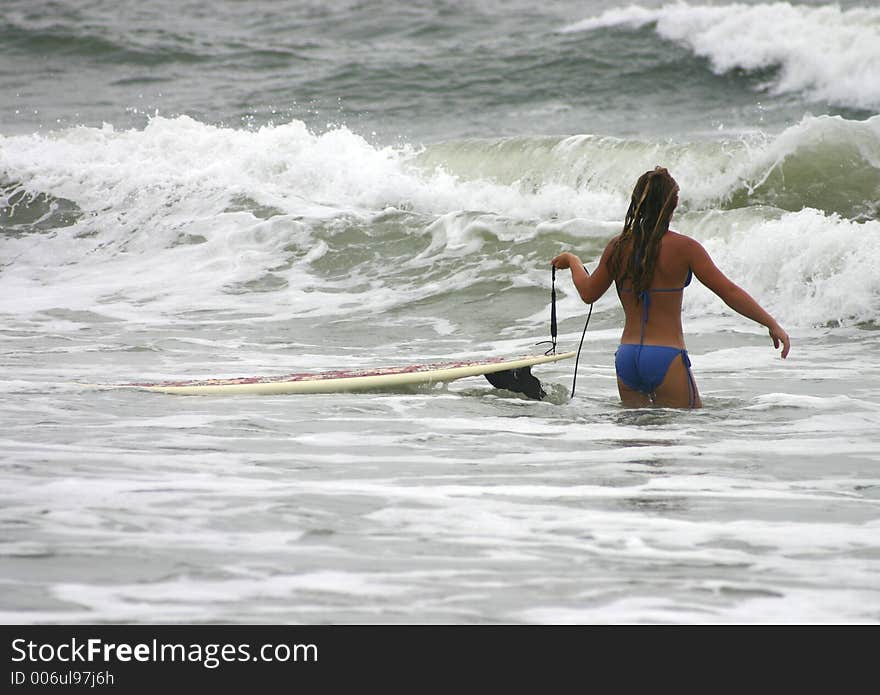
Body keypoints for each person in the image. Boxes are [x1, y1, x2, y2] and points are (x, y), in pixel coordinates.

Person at [551, 166, 790, 409]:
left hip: (627, 357)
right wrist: (771, 323)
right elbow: (729, 292)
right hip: (665, 355)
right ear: (674, 204)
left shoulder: (618, 246)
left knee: (636, 439)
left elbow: (588, 293)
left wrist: (573, 261)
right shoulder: (685, 248)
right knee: (682, 434)